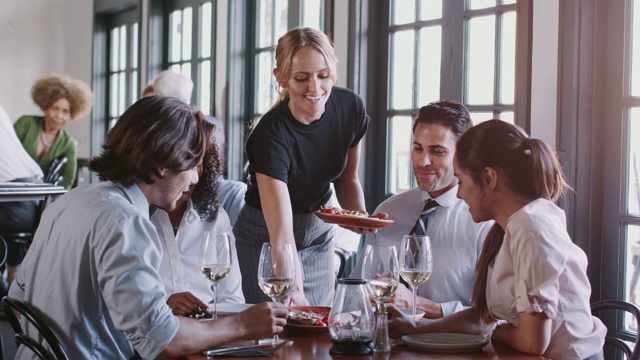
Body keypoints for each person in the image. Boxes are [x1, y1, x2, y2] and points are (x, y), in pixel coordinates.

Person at [9, 96, 287, 359]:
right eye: (192, 164)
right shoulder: (125, 222)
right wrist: (242, 325)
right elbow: (162, 341)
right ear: (164, 163)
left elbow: (17, 299)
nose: (194, 178)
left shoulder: (68, 201)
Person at [387, 119, 606, 359]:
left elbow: (533, 342)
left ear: (489, 179)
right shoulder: (508, 228)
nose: (459, 194)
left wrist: (493, 331)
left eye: (461, 181)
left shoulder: (532, 228)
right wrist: (415, 329)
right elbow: (482, 316)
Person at [234, 27, 372, 307]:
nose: (315, 88)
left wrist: (359, 219)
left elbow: (347, 179)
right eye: (301, 78)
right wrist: (292, 289)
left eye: (323, 76)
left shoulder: (350, 108)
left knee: (317, 333)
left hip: (318, 233)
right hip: (265, 238)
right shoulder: (270, 136)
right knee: (278, 328)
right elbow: (281, 236)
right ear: (281, 78)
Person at [350, 100, 492, 318]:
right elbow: (357, 290)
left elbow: (493, 317)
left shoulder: (484, 221)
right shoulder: (389, 211)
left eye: (437, 151)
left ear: (462, 154)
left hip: (451, 347)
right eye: (418, 148)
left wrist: (421, 305)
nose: (423, 161)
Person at [150, 118, 245, 317]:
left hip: (207, 330)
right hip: (153, 331)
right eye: (186, 166)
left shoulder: (216, 217)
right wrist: (164, 304)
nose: (194, 177)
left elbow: (232, 299)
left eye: (199, 165)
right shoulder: (137, 218)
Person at [13, 73, 94, 189]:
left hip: (40, 194)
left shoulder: (68, 143)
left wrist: (52, 201)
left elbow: (67, 179)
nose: (59, 116)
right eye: (55, 108)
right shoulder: (25, 123)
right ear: (45, 107)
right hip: (12, 185)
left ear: (71, 114)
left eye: (65, 111)